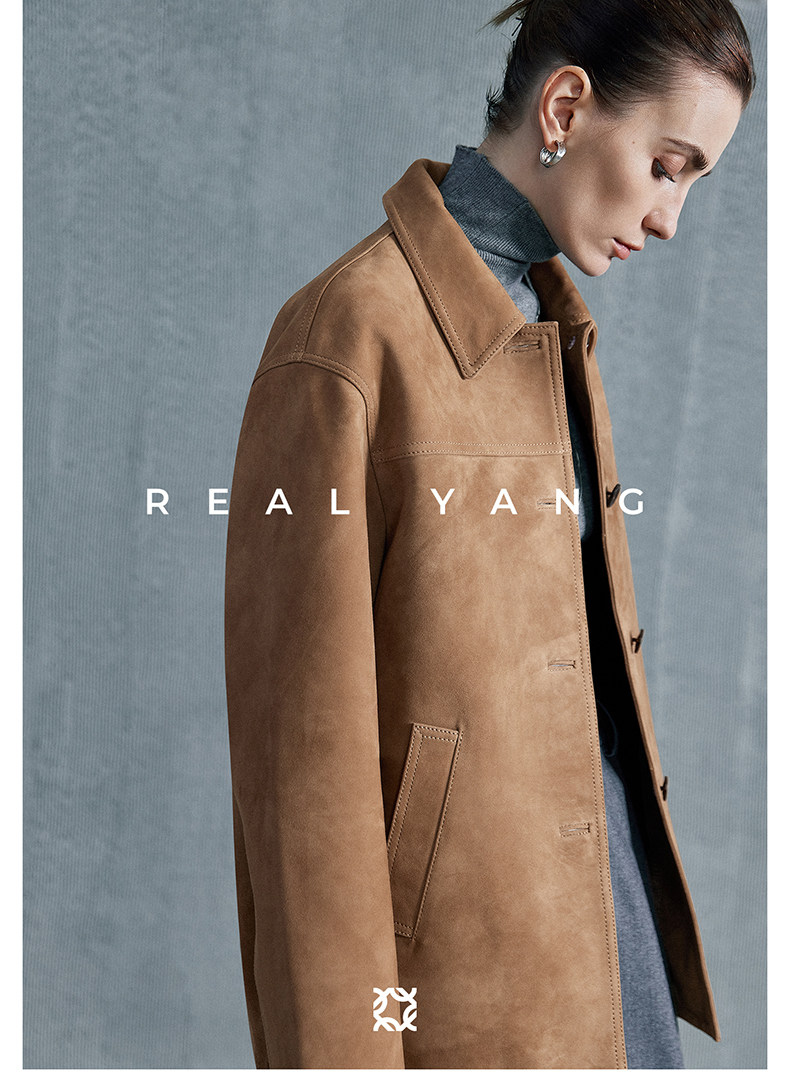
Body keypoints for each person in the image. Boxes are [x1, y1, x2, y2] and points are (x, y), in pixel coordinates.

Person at [224, 0, 754, 1070]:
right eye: (666, 167)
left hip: (609, 950)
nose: (668, 220)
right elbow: (303, 792)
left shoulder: (549, 327)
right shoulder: (346, 342)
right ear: (565, 107)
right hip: (466, 1000)